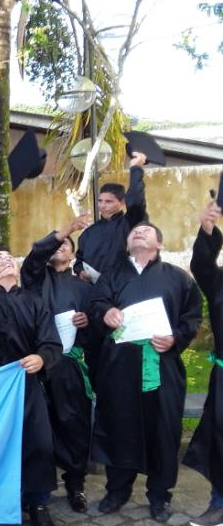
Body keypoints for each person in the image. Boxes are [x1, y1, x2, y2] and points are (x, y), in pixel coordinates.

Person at [89, 222, 202, 522]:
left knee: (163, 430)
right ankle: (117, 491)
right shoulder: (112, 275)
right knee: (119, 426)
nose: (138, 232)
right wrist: (105, 312)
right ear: (127, 243)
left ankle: (160, 495)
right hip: (119, 367)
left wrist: (176, 338)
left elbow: (192, 316)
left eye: (147, 231)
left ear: (160, 244)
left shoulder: (178, 278)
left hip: (162, 366)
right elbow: (96, 304)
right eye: (134, 231)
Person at [0, 247, 63, 526]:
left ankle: (38, 502)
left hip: (25, 381)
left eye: (8, 258)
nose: (4, 260)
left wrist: (42, 358)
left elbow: (51, 341)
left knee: (38, 442)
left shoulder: (35, 301)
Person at [19, 215, 95, 513]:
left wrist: (87, 322)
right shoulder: (35, 278)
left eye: (66, 245)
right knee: (38, 427)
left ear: (74, 256)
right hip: (36, 364)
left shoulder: (84, 287)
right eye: (56, 243)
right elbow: (36, 255)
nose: (60, 246)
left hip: (69, 366)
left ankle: (75, 484)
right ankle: (36, 491)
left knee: (74, 424)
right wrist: (67, 230)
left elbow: (98, 325)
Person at [182, 199, 223, 526]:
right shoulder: (219, 282)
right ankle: (219, 503)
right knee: (219, 438)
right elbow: (203, 265)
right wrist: (208, 229)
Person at [74, 152, 148, 282]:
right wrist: (80, 271)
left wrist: (136, 169)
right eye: (100, 201)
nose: (102, 205)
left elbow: (136, 201)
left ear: (122, 202)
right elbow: (79, 260)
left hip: (126, 288)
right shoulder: (89, 233)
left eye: (108, 201)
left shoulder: (131, 223)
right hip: (95, 290)